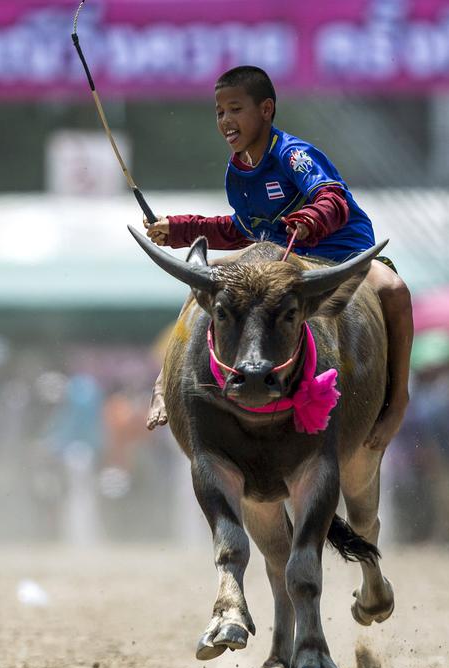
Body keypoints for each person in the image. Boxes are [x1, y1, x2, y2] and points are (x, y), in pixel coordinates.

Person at [143, 65, 413, 449]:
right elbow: (241, 229)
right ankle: (164, 380)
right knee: (204, 275)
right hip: (282, 265)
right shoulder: (237, 173)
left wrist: (308, 220)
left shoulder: (293, 154)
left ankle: (398, 400)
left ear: (266, 110)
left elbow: (332, 198)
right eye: (220, 112)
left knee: (396, 290)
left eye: (235, 109)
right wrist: (180, 229)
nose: (226, 120)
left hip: (336, 255)